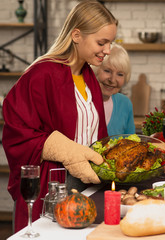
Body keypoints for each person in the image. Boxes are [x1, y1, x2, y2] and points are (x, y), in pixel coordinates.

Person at [2, 1, 117, 233]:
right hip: (53, 191)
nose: (107, 50)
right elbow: (17, 133)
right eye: (101, 42)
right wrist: (63, 149)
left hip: (85, 188)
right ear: (76, 35)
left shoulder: (89, 78)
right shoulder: (42, 74)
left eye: (110, 43)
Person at [92, 43, 135, 136]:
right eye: (107, 71)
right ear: (95, 70)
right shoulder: (81, 102)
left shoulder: (125, 104)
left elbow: (131, 143)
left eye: (120, 74)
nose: (112, 80)